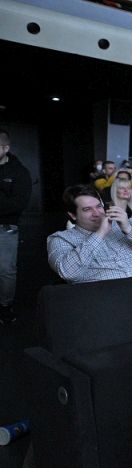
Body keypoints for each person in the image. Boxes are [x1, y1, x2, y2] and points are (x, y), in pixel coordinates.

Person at [47, 185, 132, 295]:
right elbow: (68, 272)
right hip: (106, 305)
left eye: (98, 206)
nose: (97, 213)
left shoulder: (121, 227)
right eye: (87, 209)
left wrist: (129, 228)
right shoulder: (60, 239)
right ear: (73, 215)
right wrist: (99, 234)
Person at [0, 129, 32, 324]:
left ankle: (5, 307)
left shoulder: (19, 172)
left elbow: (18, 203)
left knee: (5, 271)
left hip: (5, 228)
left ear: (6, 147)